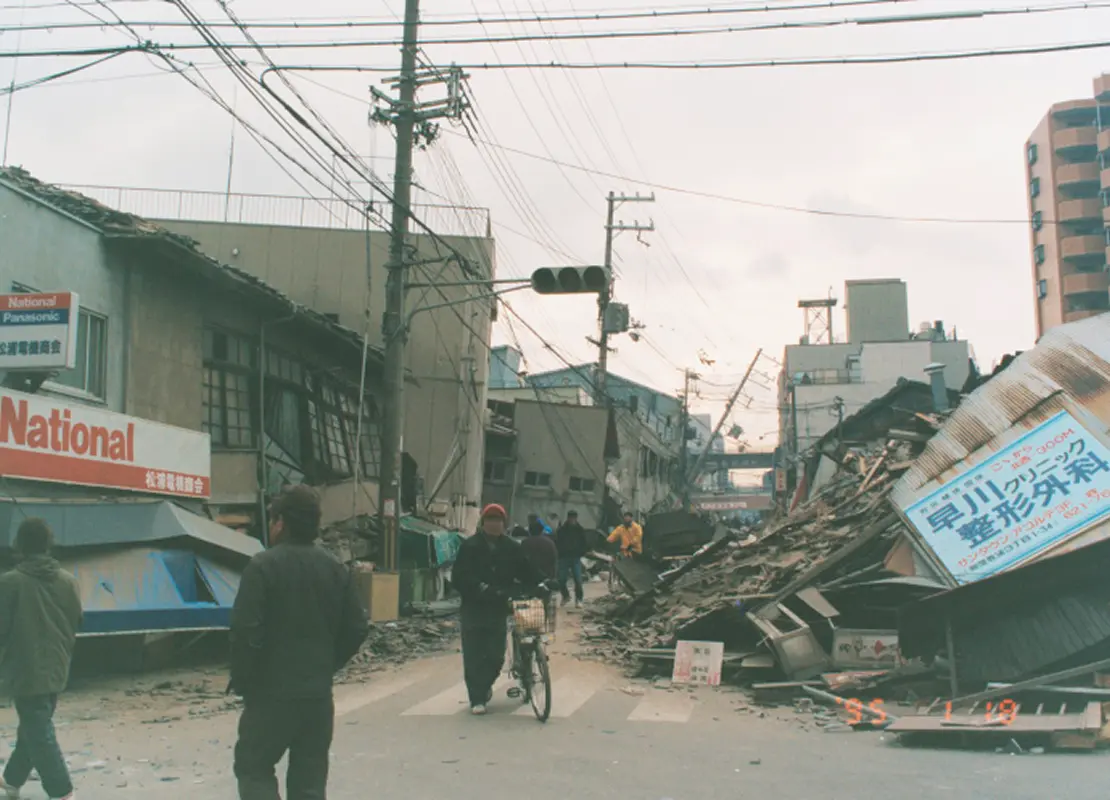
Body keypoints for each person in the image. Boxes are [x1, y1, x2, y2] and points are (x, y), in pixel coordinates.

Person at [230, 485, 369, 800]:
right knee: (309, 782)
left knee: (255, 769)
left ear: (281, 522)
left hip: (270, 695)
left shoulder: (262, 566)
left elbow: (245, 632)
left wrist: (245, 681)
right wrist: (327, 664)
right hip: (317, 697)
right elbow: (357, 627)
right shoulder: (335, 568)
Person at [0, 518, 83, 800]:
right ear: (48, 545)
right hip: (58, 665)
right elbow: (76, 621)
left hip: (24, 669)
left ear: (19, 546)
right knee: (34, 727)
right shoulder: (69, 582)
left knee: (39, 731)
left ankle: (62, 792)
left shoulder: (10, 583)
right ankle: (11, 781)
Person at [451, 504, 549, 716]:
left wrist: (542, 582)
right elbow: (458, 577)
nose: (494, 524)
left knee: (496, 655)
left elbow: (527, 569)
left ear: (504, 524)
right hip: (474, 607)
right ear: (483, 523)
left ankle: (485, 685)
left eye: (498, 520)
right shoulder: (470, 546)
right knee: (474, 654)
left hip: (498, 607)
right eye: (490, 520)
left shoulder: (512, 547)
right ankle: (477, 697)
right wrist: (479, 588)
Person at [554, 510, 589, 608]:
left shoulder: (580, 530)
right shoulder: (561, 530)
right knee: (561, 579)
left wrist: (581, 553)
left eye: (574, 518)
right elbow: (557, 542)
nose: (572, 520)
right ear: (568, 518)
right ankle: (565, 596)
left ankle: (579, 599)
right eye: (571, 518)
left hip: (575, 558)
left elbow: (584, 543)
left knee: (578, 580)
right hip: (563, 558)